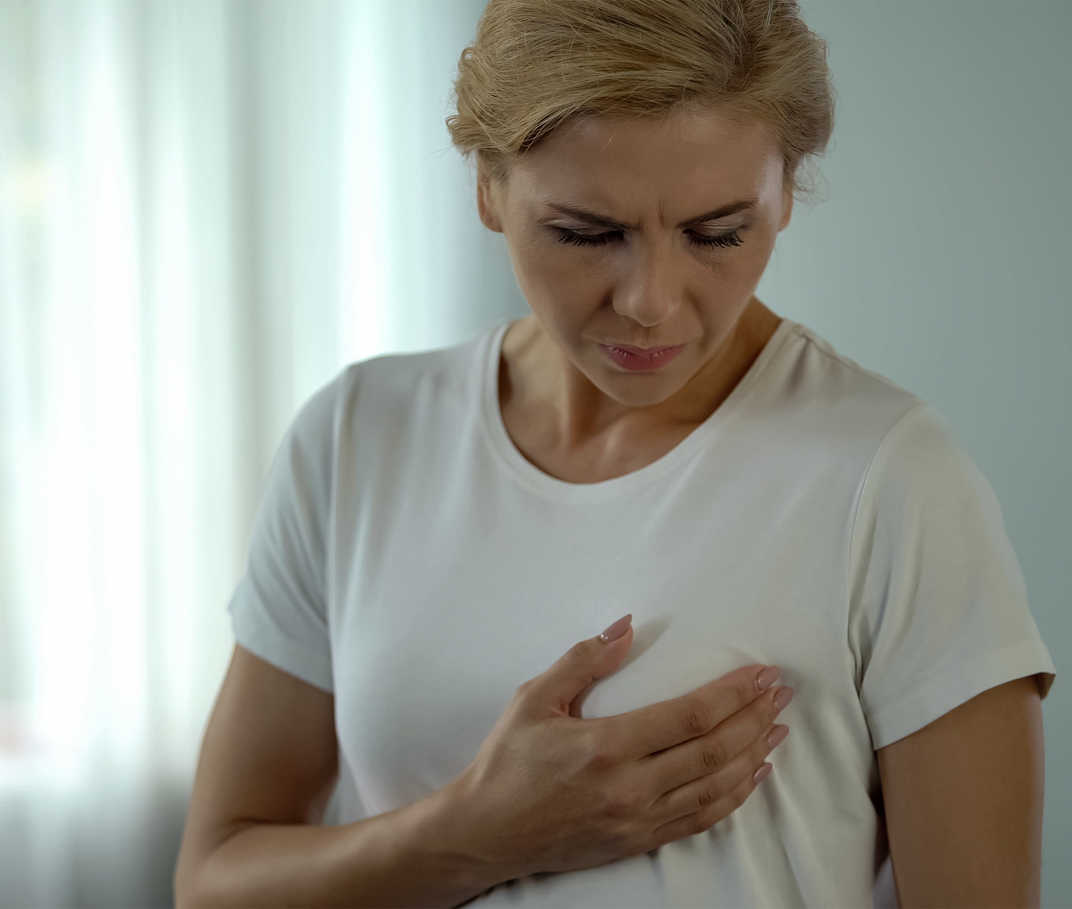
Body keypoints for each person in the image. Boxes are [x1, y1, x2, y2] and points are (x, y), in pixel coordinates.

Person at [173, 1, 1057, 907]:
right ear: (487, 186)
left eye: (718, 232)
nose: (651, 301)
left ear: (785, 190)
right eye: (588, 233)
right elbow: (214, 881)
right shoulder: (359, 436)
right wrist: (474, 835)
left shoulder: (891, 478)